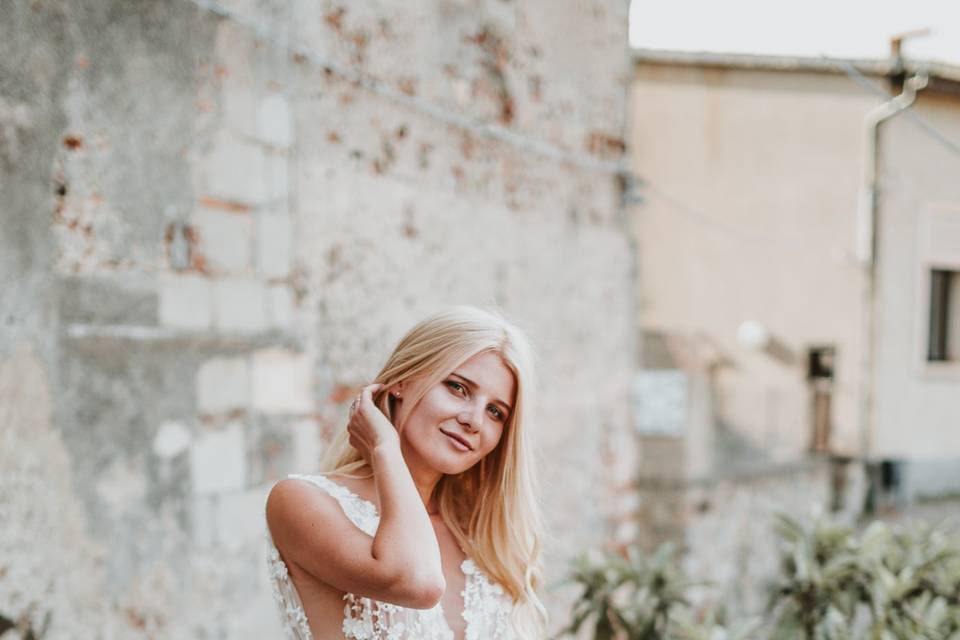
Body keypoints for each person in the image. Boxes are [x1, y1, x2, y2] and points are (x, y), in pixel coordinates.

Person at [265, 306, 547, 639]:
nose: (474, 420)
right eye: (458, 388)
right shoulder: (301, 501)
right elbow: (418, 582)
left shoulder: (484, 536)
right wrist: (383, 448)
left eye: (496, 411)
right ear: (402, 381)